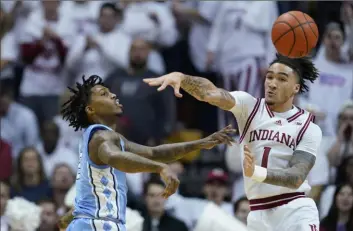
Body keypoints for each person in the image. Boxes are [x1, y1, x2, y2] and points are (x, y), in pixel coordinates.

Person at [144, 54, 322, 231]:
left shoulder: (308, 126)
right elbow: (210, 93)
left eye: (282, 79)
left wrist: (257, 172)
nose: (272, 83)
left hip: (294, 210)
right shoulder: (249, 106)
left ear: (296, 88)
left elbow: (296, 177)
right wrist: (183, 78)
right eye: (269, 77)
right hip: (258, 212)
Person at [58, 75, 235, 231]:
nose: (113, 95)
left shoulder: (106, 136)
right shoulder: (101, 137)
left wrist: (201, 143)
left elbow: (152, 152)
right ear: (91, 109)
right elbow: (115, 157)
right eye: (104, 94)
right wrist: (159, 168)